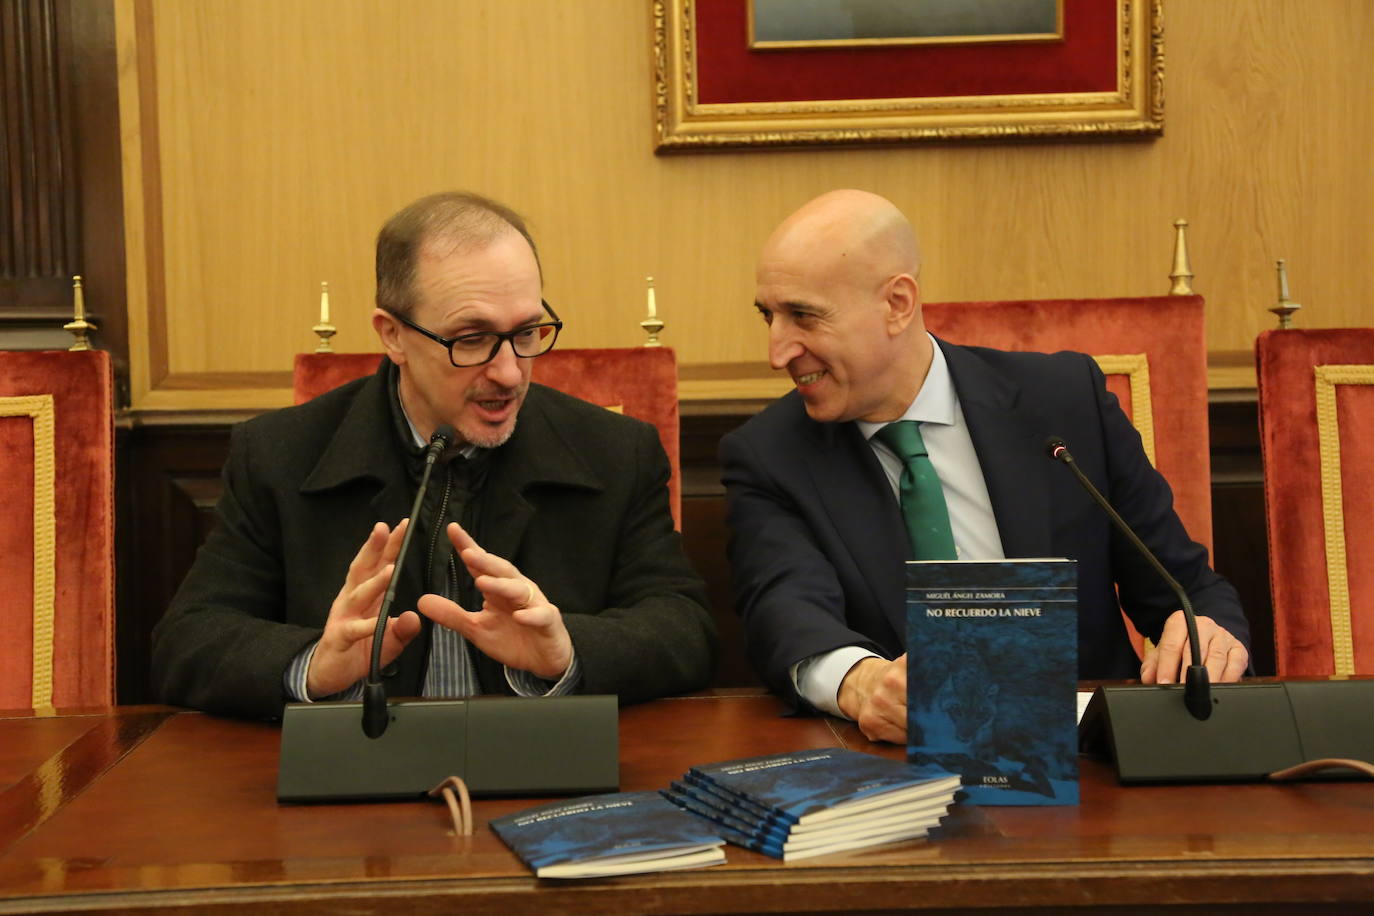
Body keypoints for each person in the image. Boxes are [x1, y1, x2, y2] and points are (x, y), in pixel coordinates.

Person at [152, 191, 716, 719]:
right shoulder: (281, 456)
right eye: (470, 339)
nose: (509, 371)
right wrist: (313, 666)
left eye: (527, 332)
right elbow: (188, 640)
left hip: (548, 771)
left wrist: (566, 651)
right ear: (392, 335)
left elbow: (685, 627)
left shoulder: (615, 451)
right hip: (361, 782)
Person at [720, 189, 1250, 744]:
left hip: (1093, 758)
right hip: (908, 767)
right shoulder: (770, 454)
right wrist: (862, 681)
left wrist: (1205, 635)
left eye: (803, 316)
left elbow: (1186, 589)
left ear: (897, 304)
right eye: (769, 316)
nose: (778, 350)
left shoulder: (1063, 403)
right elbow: (786, 614)